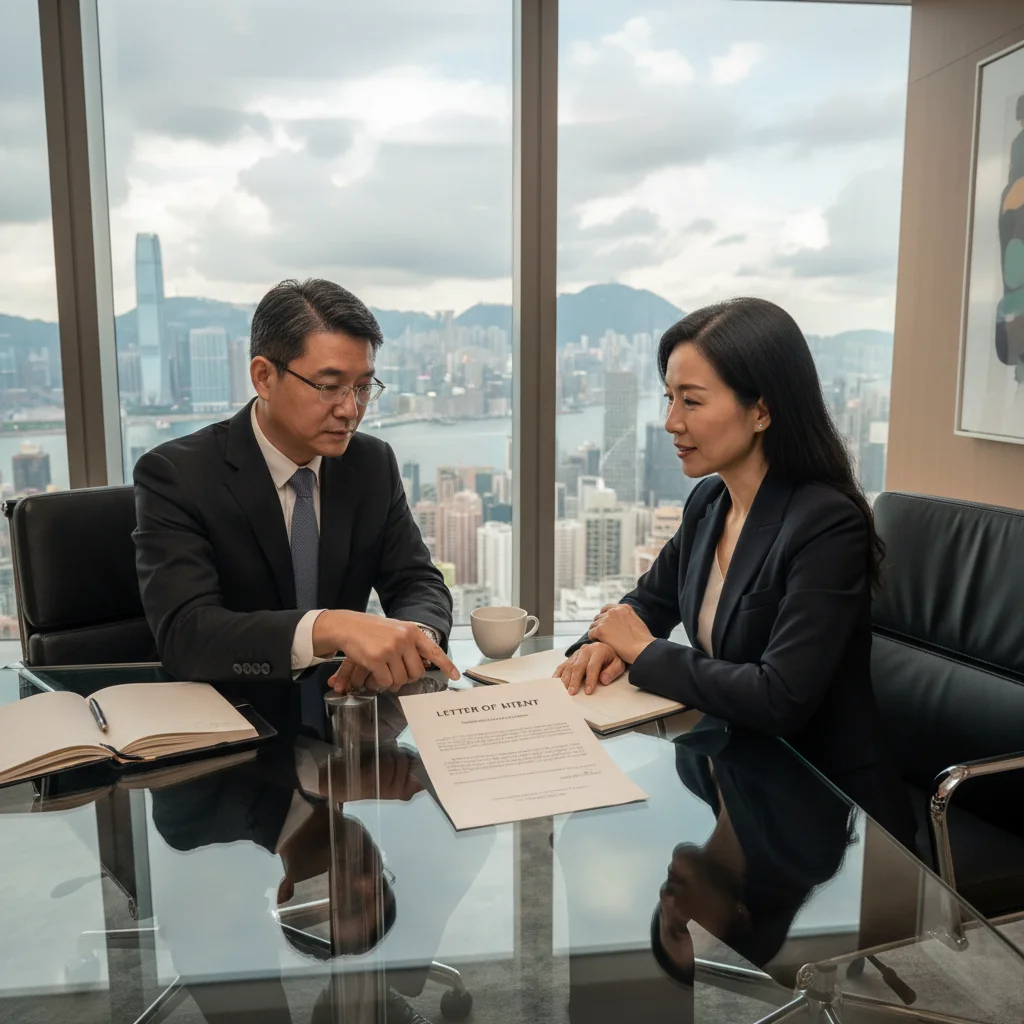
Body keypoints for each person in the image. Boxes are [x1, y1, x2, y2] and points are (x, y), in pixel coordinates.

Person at [555, 297, 915, 846]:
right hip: (731, 775)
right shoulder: (710, 502)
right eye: (669, 398)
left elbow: (781, 697)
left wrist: (645, 651)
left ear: (762, 411)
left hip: (826, 806)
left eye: (692, 402)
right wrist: (606, 643)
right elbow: (647, 604)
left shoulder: (826, 524)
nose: (671, 422)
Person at [133, 278, 458, 731]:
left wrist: (415, 638)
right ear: (264, 376)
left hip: (346, 731)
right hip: (225, 744)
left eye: (363, 387)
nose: (350, 409)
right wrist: (330, 626)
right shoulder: (177, 474)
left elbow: (417, 580)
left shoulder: (370, 463)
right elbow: (187, 634)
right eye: (329, 386)